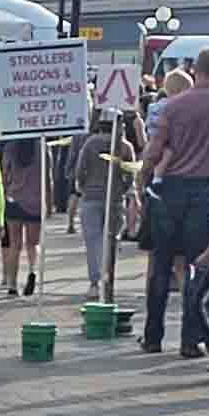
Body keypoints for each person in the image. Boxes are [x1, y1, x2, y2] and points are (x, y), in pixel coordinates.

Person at [143, 51, 209, 354]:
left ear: (195, 70)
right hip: (207, 190)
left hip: (170, 190)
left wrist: (147, 176)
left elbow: (153, 151)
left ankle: (153, 336)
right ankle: (190, 339)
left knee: (160, 265)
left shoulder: (174, 106)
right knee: (195, 266)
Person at [74, 103, 134, 302]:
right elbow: (130, 175)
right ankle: (108, 279)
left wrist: (83, 187)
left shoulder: (91, 143)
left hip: (91, 197)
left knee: (93, 242)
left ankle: (94, 283)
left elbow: (79, 171)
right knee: (111, 240)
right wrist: (122, 190)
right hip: (115, 199)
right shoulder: (125, 146)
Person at [0, 104, 50, 300]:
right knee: (33, 243)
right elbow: (47, 177)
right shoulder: (41, 146)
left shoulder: (11, 146)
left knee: (14, 244)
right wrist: (48, 203)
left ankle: (11, 284)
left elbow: (4, 174)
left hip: (14, 199)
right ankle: (33, 270)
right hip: (35, 200)